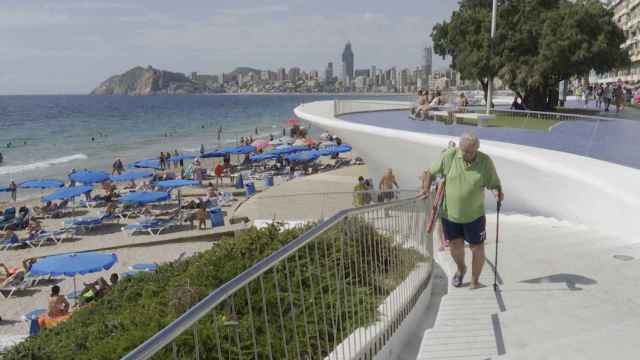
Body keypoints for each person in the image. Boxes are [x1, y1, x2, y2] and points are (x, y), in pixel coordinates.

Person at [419, 132, 503, 289]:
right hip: (450, 215)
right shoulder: (449, 157)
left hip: (475, 215)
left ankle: (475, 280)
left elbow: (493, 183)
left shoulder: (485, 161)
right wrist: (425, 189)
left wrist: (497, 192)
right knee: (455, 247)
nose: (470, 155)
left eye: (473, 151)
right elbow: (430, 172)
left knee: (477, 248)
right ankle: (461, 268)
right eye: (467, 151)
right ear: (460, 148)